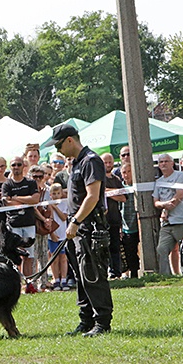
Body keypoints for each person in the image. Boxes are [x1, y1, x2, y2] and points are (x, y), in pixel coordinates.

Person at [47, 124, 113, 337]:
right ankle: (86, 320)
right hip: (79, 228)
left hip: (89, 227)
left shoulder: (90, 161)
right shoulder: (76, 163)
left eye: (58, 145)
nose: (57, 150)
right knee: (81, 277)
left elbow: (92, 196)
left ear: (69, 140)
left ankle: (102, 322)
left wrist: (75, 221)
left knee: (93, 275)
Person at [1, 156, 40, 287]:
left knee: (29, 255)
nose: (16, 167)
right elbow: (6, 202)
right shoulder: (7, 184)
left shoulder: (30, 183)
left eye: (18, 164)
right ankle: (16, 284)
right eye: (13, 165)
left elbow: (35, 199)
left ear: (23, 166)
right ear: (10, 167)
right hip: (14, 224)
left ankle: (29, 283)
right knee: (15, 256)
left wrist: (17, 198)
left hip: (29, 223)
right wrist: (25, 199)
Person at [152, 154, 183, 275]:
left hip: (182, 219)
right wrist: (164, 206)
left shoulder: (180, 176)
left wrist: (167, 208)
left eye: (166, 161)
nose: (163, 164)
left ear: (172, 163)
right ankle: (166, 276)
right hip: (167, 223)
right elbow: (156, 202)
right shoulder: (158, 182)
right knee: (162, 249)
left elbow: (180, 194)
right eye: (161, 162)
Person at [47, 183, 70, 290]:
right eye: (54, 193)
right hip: (53, 235)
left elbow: (64, 217)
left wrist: (55, 208)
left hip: (63, 234)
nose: (56, 195)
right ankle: (56, 279)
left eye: (58, 193)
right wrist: (51, 233)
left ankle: (64, 279)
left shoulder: (64, 204)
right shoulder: (48, 205)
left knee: (63, 258)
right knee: (54, 258)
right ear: (50, 194)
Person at [118, 163, 140, 279]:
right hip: (127, 225)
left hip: (140, 224)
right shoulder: (120, 188)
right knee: (129, 252)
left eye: (129, 171)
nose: (126, 175)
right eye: (124, 172)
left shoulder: (138, 186)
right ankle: (134, 274)